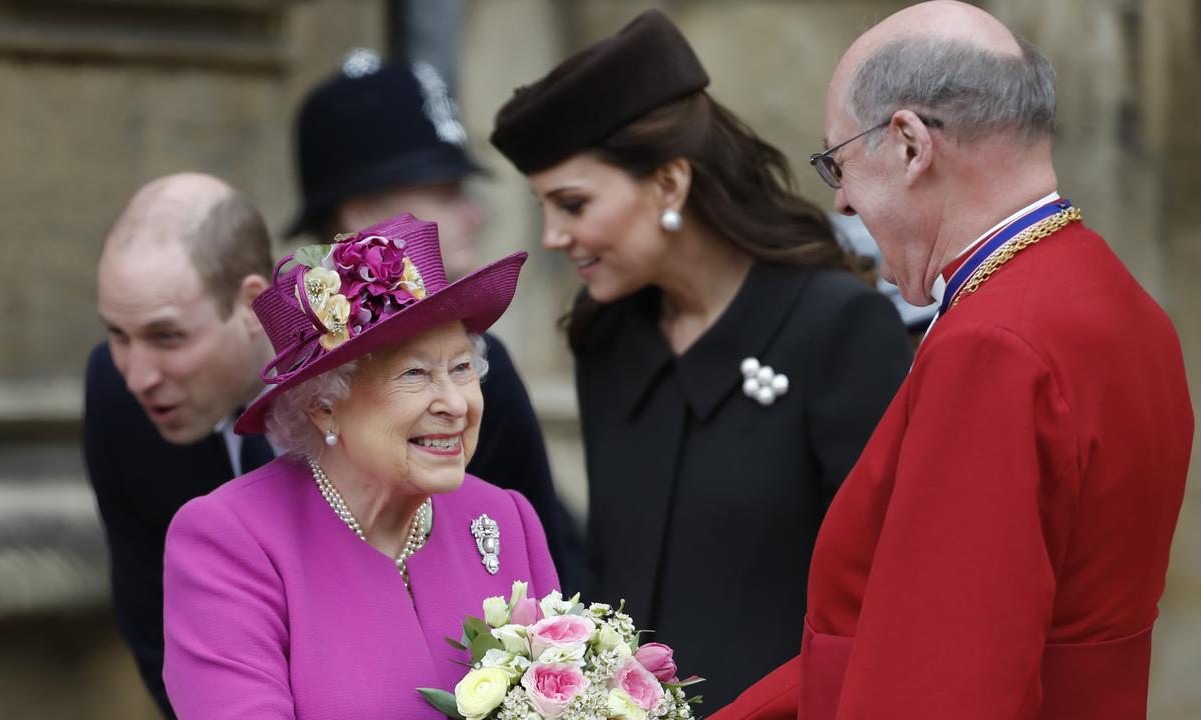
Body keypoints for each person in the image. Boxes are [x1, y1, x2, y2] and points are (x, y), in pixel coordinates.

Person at [714, 3, 1193, 718]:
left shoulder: (992, 345)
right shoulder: (1122, 302)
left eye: (837, 163)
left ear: (909, 145)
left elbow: (941, 682)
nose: (842, 202)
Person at [490, 10, 912, 712]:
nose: (554, 236)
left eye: (573, 203)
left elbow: (888, 595)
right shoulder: (607, 338)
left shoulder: (838, 326)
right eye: (544, 207)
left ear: (669, 185)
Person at [161, 213, 559, 718]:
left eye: (461, 368)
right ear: (324, 404)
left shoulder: (505, 517)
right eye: (415, 374)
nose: (456, 404)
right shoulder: (230, 541)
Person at [287, 48, 587, 593]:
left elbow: (543, 563)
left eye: (457, 369)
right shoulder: (284, 357)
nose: (476, 213)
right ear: (361, 214)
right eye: (447, 192)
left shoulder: (485, 364)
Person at [85, 172, 276, 717]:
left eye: (167, 336)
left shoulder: (413, 382)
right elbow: (153, 622)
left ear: (253, 305)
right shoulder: (113, 392)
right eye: (117, 335)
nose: (137, 376)